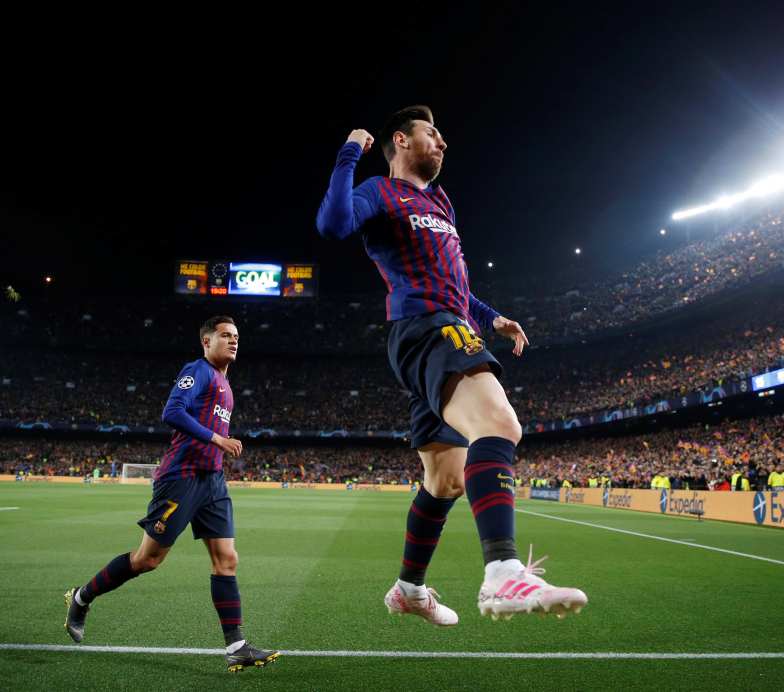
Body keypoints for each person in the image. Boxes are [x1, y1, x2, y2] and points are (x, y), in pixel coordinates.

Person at [316, 106, 586, 625]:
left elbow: (456, 285)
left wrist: (493, 316)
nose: (442, 143)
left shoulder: (440, 201)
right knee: (500, 424)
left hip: (450, 322)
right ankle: (502, 571)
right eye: (431, 134)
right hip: (426, 328)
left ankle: (409, 589)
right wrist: (350, 150)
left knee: (445, 479)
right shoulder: (379, 191)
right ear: (401, 140)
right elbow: (332, 225)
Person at [63, 317, 279, 672]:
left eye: (237, 336)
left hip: (213, 482)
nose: (233, 341)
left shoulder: (226, 383)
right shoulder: (199, 371)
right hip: (181, 478)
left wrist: (217, 449)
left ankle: (236, 646)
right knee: (146, 560)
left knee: (227, 559)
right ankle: (82, 596)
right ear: (206, 342)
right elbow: (172, 411)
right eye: (225, 335)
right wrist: (217, 440)